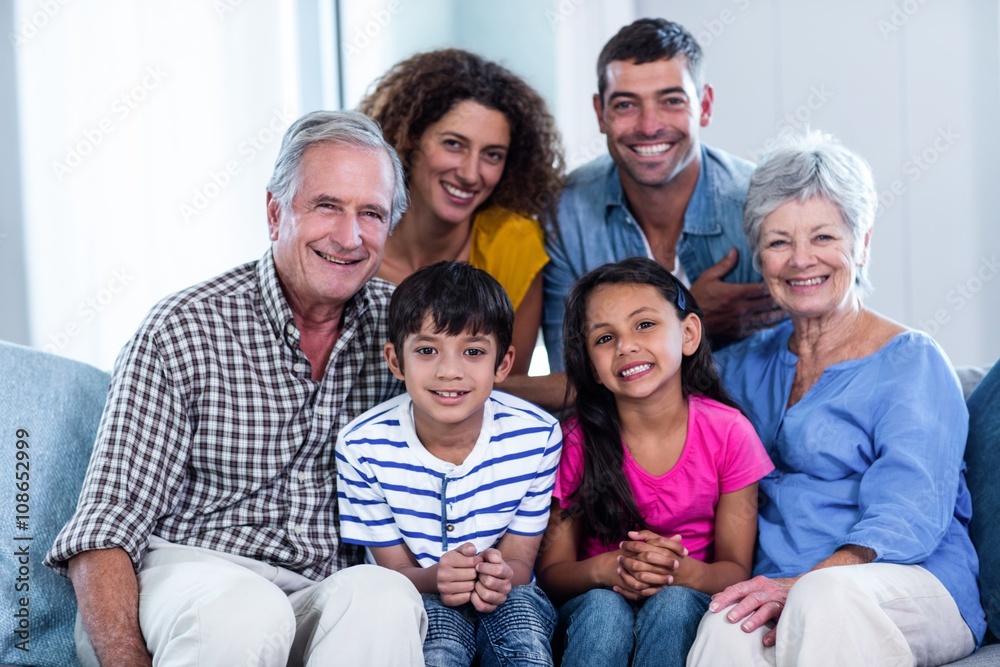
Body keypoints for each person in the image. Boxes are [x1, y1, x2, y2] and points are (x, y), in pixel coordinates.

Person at [44, 111, 427, 666]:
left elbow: (475, 410)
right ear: (275, 213)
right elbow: (105, 525)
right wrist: (123, 657)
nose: (349, 237)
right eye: (327, 205)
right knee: (247, 610)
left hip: (321, 589)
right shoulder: (185, 326)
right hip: (190, 577)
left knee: (386, 597)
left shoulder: (407, 331)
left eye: (370, 213)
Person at [687, 132, 985, 666]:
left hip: (908, 582)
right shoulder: (739, 366)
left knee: (826, 598)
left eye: (824, 237)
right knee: (725, 625)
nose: (801, 260)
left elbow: (911, 508)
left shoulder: (913, 361)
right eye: (779, 242)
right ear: (759, 255)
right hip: (783, 586)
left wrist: (805, 582)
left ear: (862, 242)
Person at [535, 257, 774, 667]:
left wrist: (679, 573)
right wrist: (610, 569)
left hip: (689, 598)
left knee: (675, 604)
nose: (626, 345)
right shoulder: (577, 440)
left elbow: (736, 569)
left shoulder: (730, 433)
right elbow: (553, 573)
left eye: (644, 324)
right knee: (604, 612)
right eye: (604, 338)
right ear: (591, 366)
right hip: (596, 604)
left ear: (688, 334)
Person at [336, 261, 562, 666]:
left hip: (510, 595)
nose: (449, 371)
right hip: (414, 590)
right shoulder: (362, 446)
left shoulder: (538, 436)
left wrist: (500, 574)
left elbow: (521, 562)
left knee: (524, 636)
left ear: (503, 364)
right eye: (426, 350)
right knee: (438, 642)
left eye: (473, 352)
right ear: (395, 361)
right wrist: (435, 577)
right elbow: (396, 571)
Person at [544, 18, 785, 374]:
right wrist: (689, 316)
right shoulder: (566, 212)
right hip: (613, 430)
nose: (648, 126)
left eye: (671, 100)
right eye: (626, 104)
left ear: (704, 106)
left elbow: (813, 360)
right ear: (600, 113)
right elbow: (571, 378)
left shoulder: (766, 205)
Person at [359, 49, 564, 393]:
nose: (471, 173)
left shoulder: (512, 243)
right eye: (454, 144)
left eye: (492, 155)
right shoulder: (356, 238)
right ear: (409, 140)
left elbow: (502, 389)